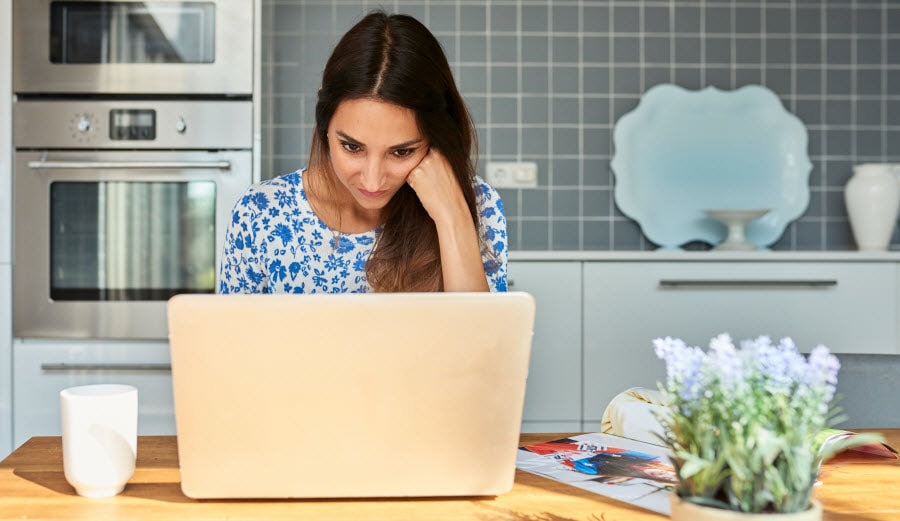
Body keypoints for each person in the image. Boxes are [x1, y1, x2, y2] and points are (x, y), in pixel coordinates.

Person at [218, 10, 507, 294]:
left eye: (402, 152)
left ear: (434, 140)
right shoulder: (260, 213)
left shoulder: (479, 206)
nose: (372, 181)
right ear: (324, 124)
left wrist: (453, 217)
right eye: (352, 147)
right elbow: (229, 340)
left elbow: (484, 342)